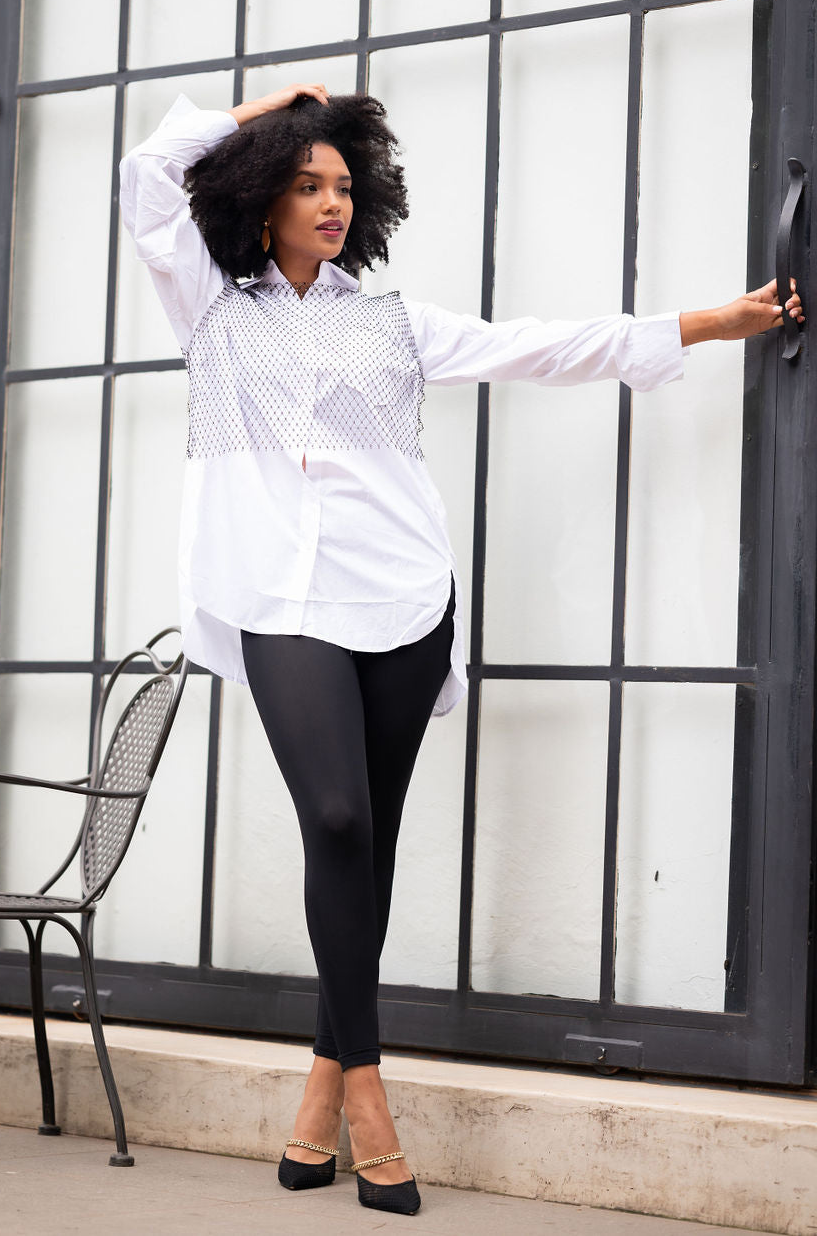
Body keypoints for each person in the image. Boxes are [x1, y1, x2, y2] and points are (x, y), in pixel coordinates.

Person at [119, 82, 803, 1217]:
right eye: (307, 183)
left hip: (397, 599)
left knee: (368, 846)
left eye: (343, 186)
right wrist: (258, 110)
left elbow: (542, 348)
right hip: (276, 601)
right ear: (262, 195)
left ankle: (316, 1103)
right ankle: (373, 1098)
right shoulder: (207, 305)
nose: (330, 204)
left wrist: (706, 325)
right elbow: (147, 177)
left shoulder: (389, 322)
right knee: (334, 819)